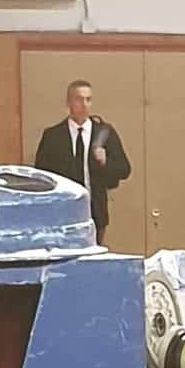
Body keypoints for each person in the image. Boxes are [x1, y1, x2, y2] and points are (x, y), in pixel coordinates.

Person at [33, 80, 132, 245]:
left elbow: (124, 169)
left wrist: (105, 161)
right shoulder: (53, 136)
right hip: (62, 212)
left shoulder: (104, 133)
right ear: (68, 102)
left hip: (95, 211)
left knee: (94, 254)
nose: (84, 104)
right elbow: (41, 176)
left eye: (88, 99)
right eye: (79, 99)